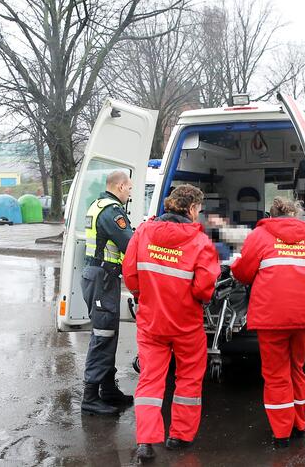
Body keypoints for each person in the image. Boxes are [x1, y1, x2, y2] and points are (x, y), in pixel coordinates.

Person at [122, 184, 220, 463]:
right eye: (198, 210)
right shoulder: (200, 242)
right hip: (186, 324)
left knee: (150, 380)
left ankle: (145, 442)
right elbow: (204, 289)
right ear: (191, 209)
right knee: (188, 379)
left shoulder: (142, 232)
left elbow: (130, 274)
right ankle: (180, 436)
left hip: (152, 321)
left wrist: (144, 295)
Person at [230, 197, 305, 448]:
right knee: (297, 370)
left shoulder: (260, 236)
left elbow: (244, 272)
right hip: (304, 318)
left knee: (276, 375)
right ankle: (299, 425)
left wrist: (238, 266)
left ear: (271, 214)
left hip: (271, 318)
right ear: (295, 216)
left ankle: (282, 433)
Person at [81, 170, 136, 416]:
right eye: (130, 188)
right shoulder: (112, 211)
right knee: (102, 335)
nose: (130, 193)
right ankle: (90, 396)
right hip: (102, 278)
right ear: (121, 186)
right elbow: (130, 243)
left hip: (101, 277)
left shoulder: (97, 204)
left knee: (108, 333)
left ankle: (107, 388)